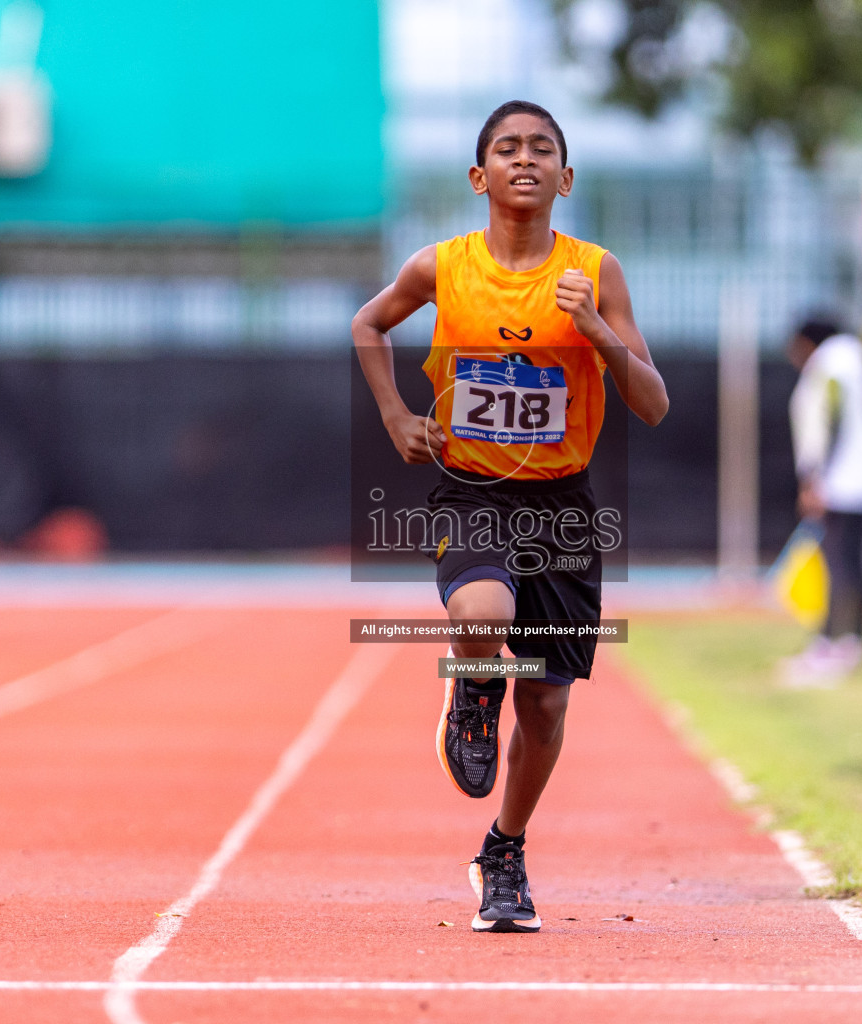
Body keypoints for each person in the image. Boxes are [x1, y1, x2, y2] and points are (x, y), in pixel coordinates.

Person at [351, 100, 668, 933]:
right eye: (506, 148)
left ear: (565, 177)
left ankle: (503, 852)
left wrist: (596, 329)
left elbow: (654, 403)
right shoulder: (442, 268)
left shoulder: (595, 272)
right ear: (478, 175)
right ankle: (470, 696)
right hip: (472, 490)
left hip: (561, 504)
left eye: (541, 150)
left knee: (550, 707)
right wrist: (394, 416)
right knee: (482, 613)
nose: (523, 160)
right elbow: (368, 323)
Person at [779, 315, 862, 686]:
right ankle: (854, 638)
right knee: (858, 561)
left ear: (806, 344)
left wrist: (814, 478)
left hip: (842, 480)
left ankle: (831, 641)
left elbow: (823, 419)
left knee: (837, 561)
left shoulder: (829, 364)